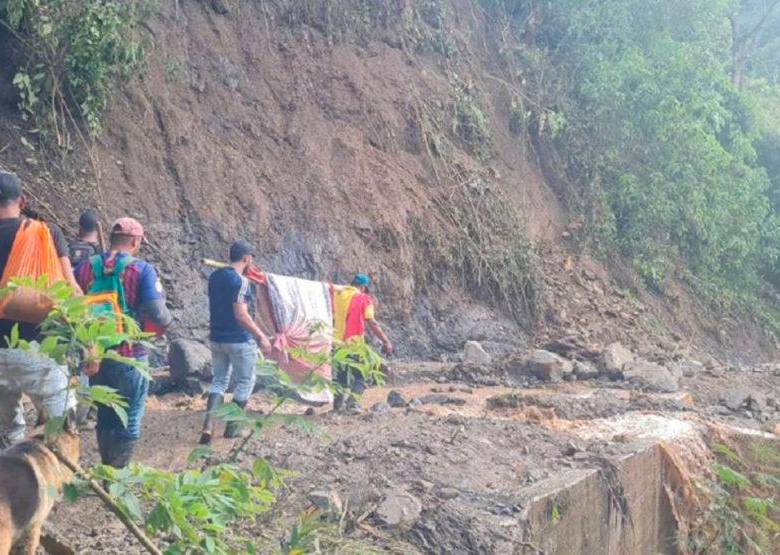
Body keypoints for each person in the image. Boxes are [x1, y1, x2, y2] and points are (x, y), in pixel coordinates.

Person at [75, 217, 172, 468]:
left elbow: (73, 306)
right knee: (129, 419)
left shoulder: (85, 267)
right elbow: (158, 313)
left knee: (106, 415)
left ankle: (107, 469)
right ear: (135, 241)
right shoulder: (141, 270)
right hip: (130, 354)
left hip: (95, 356)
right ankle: (118, 476)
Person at [0, 170, 81, 446]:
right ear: (22, 201)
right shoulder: (44, 233)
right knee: (63, 430)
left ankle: (9, 482)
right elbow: (71, 291)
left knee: (7, 434)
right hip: (40, 349)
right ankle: (56, 483)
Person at [200, 240, 273, 445]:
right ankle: (232, 429)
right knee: (245, 381)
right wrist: (261, 336)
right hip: (239, 340)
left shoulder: (214, 277)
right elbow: (241, 314)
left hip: (216, 338)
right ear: (246, 258)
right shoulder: (241, 282)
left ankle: (208, 425)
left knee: (219, 381)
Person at [332, 273, 393, 412]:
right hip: (354, 344)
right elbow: (372, 322)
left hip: (337, 343)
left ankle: (337, 406)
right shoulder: (363, 299)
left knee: (341, 376)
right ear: (363, 287)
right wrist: (386, 341)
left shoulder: (338, 294)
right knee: (361, 375)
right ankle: (353, 404)